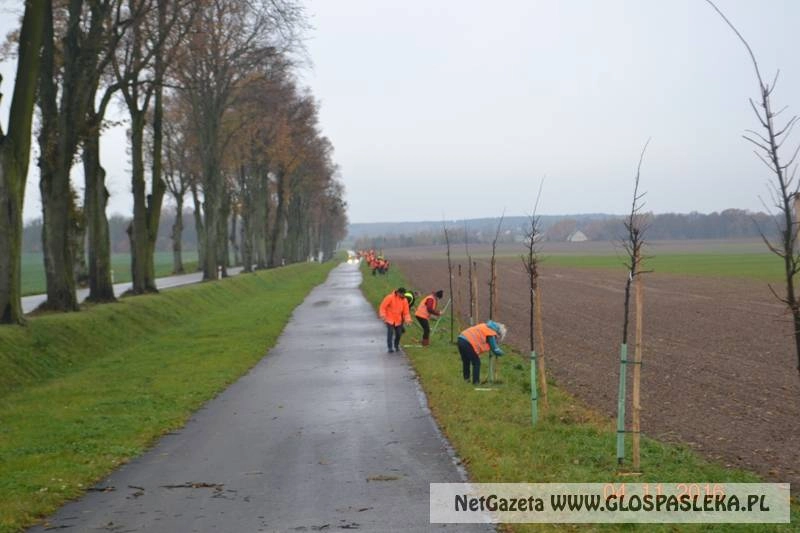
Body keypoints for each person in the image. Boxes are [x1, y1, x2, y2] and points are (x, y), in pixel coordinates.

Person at [457, 320, 507, 384]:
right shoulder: (490, 332)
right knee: (476, 362)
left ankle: (466, 380)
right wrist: (503, 353)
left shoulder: (485, 326)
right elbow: (495, 349)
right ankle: (476, 382)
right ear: (498, 332)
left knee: (466, 361)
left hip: (461, 338)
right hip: (467, 342)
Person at [379, 287, 412, 353]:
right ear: (398, 293)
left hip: (398, 320)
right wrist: (383, 315)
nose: (403, 296)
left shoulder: (404, 300)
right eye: (402, 294)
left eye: (404, 294)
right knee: (390, 333)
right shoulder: (390, 297)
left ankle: (396, 346)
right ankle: (390, 348)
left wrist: (408, 320)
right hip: (389, 319)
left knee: (399, 334)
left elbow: (406, 312)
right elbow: (383, 307)